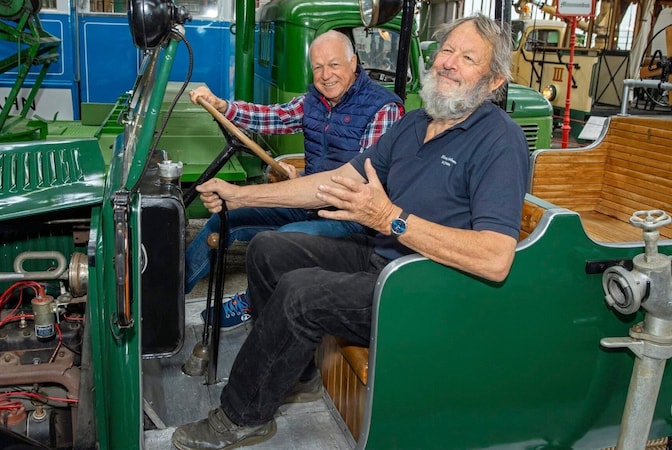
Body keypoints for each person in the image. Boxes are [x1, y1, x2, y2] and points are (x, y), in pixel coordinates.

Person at [172, 14, 529, 450]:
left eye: (467, 57)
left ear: (493, 82)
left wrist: (390, 219)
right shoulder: (415, 124)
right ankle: (296, 374)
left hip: (426, 287)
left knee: (301, 292)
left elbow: (495, 259)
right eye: (447, 50)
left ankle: (242, 416)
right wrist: (240, 197)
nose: (448, 63)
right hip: (382, 258)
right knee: (268, 249)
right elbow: (335, 181)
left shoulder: (500, 141)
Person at [185, 30, 404, 329]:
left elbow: (361, 186)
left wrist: (293, 187)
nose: (325, 75)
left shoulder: (383, 108)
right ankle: (169, 293)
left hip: (352, 218)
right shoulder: (314, 100)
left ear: (354, 63)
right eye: (317, 67)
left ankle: (253, 303)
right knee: (224, 216)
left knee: (282, 239)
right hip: (308, 199)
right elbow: (273, 117)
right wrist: (224, 107)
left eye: (334, 65)